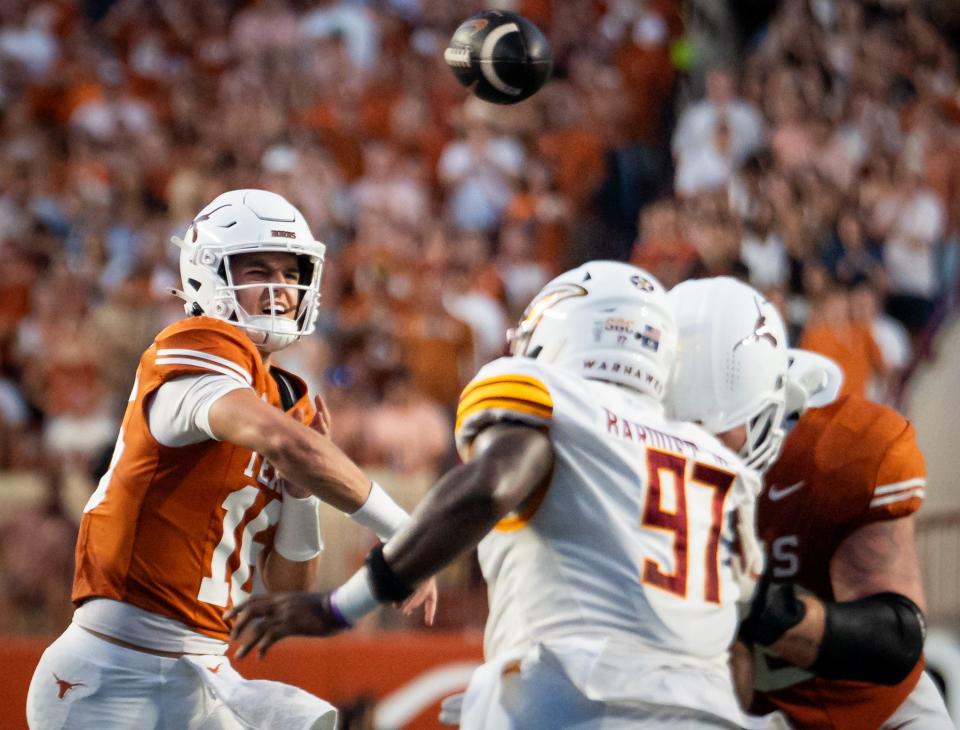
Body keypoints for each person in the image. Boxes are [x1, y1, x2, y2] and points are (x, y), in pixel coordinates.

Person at [229, 260, 766, 729]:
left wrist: (340, 608)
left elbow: (491, 488)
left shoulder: (550, 394)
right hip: (709, 709)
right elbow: (736, 645)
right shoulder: (717, 460)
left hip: (579, 691)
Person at [25, 189, 435, 730]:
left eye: (290, 273)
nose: (280, 288)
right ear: (207, 276)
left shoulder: (290, 399)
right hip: (115, 671)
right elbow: (286, 444)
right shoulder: (197, 346)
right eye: (257, 269)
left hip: (203, 671)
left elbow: (289, 579)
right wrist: (407, 534)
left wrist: (301, 491)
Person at [736, 353, 953, 728]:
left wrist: (763, 607)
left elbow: (896, 637)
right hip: (764, 714)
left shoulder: (842, 454)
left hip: (882, 711)